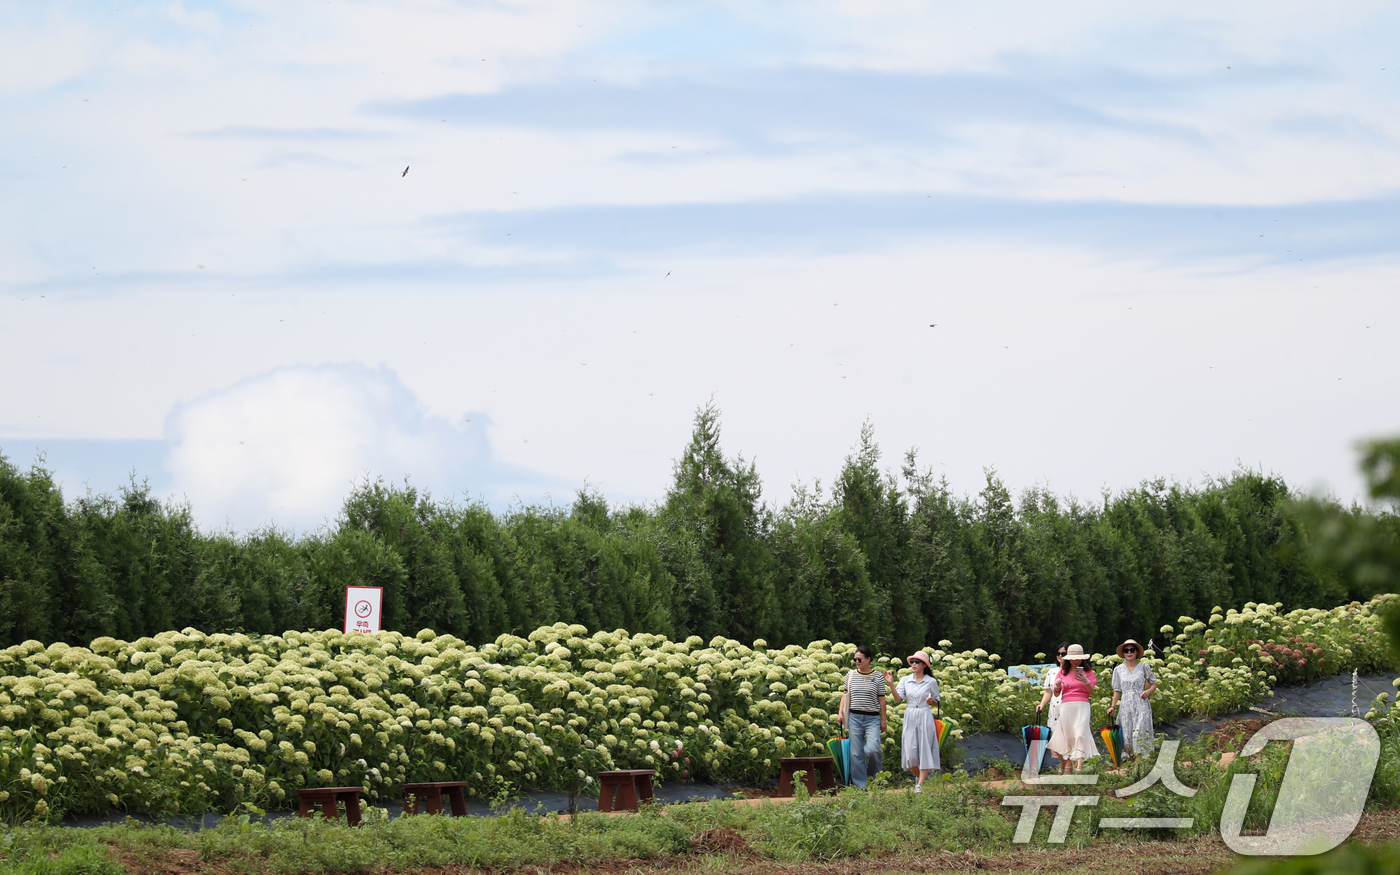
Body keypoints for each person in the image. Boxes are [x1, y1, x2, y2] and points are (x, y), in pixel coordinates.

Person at [885, 650, 940, 791]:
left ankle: (919, 785)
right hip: (910, 714)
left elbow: (937, 702)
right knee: (910, 752)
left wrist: (931, 700)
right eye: (912, 662)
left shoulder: (931, 681)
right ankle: (920, 778)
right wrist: (891, 684)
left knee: (925, 747)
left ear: (924, 665)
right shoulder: (905, 680)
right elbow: (898, 699)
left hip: (924, 714)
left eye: (918, 662)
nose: (914, 664)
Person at [837, 645, 888, 789]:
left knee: (873, 749)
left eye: (859, 659)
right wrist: (840, 713)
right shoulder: (851, 674)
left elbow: (882, 699)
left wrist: (883, 720)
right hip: (854, 716)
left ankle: (876, 777)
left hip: (872, 718)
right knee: (855, 753)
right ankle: (861, 786)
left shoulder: (877, 676)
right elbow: (845, 695)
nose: (857, 662)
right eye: (855, 659)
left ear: (868, 659)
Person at [1047, 644, 1098, 773]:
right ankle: (1066, 763)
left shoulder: (1088, 672)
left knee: (1081, 734)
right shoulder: (1062, 672)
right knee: (1067, 736)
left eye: (1078, 658)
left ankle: (1079, 768)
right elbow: (1057, 693)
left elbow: (1091, 692)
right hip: (1066, 706)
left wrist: (1086, 681)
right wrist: (1057, 686)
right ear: (1069, 659)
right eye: (1073, 658)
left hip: (1082, 705)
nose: (1076, 661)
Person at [1107, 638, 1157, 758]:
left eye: (1132, 650)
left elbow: (1153, 683)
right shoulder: (1118, 670)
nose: (1129, 652)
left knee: (1140, 732)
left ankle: (1141, 762)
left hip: (1141, 704)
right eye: (1126, 650)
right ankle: (1129, 764)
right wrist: (1113, 706)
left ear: (1136, 652)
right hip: (1125, 705)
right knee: (1126, 733)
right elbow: (1117, 690)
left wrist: (1148, 692)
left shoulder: (1144, 667)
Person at [1035, 642, 1071, 772]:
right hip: (1054, 710)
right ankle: (1063, 763)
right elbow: (1048, 691)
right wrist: (1042, 704)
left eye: (1064, 653)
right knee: (1056, 740)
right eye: (1058, 653)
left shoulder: (1073, 672)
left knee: (1068, 738)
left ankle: (1067, 767)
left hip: (1069, 708)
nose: (1060, 656)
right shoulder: (1052, 672)